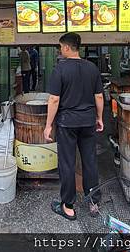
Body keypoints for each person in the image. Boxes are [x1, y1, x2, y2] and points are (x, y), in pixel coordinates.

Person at [45, 32, 104, 221]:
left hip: (67, 123)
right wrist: (99, 117)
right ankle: (94, 202)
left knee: (67, 163)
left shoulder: (60, 69)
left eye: (61, 47)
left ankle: (68, 206)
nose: (60, 50)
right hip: (88, 122)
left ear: (67, 48)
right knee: (90, 161)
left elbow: (54, 100)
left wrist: (48, 125)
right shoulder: (92, 68)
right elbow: (99, 97)